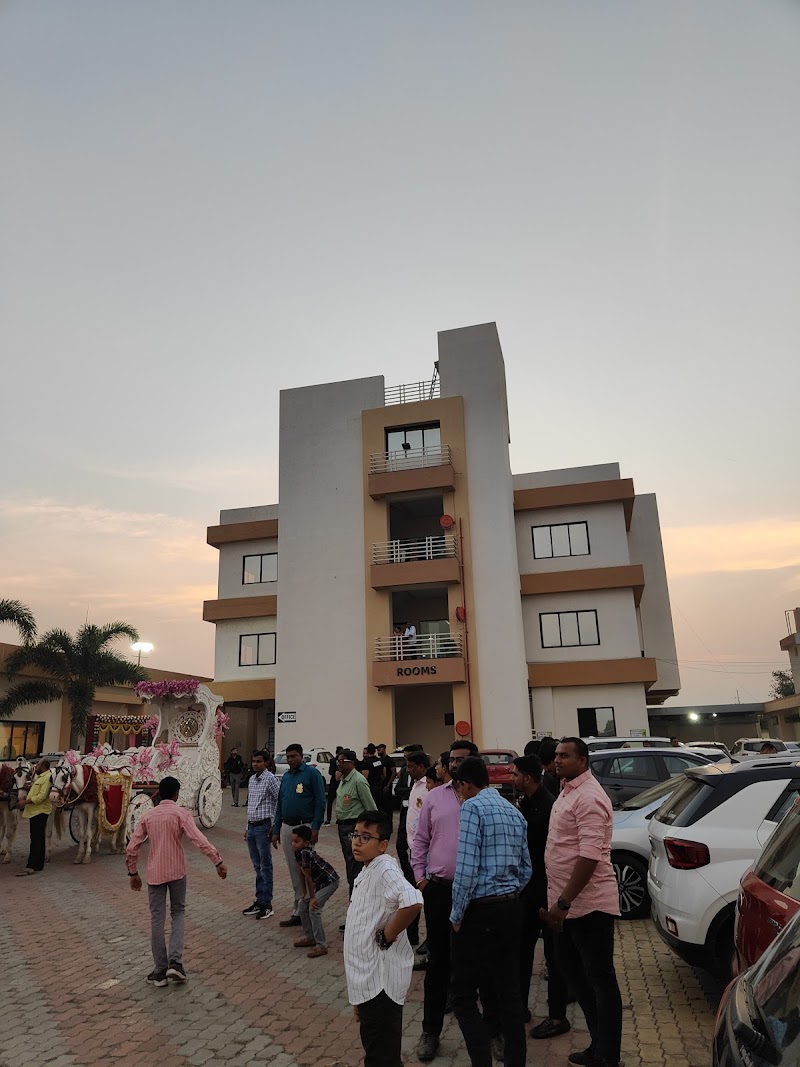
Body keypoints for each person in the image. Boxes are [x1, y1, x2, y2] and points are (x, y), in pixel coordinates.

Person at [540, 738, 622, 1067]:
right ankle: (598, 1045)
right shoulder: (567, 790)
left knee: (600, 981)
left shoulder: (589, 797)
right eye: (557, 755)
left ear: (583, 761)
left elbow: (589, 856)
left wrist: (563, 902)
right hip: (566, 906)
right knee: (575, 976)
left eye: (565, 755)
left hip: (589, 906)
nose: (558, 760)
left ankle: (609, 1056)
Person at [449, 756, 531, 1067]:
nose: (459, 793)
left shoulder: (472, 808)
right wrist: (508, 892)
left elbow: (466, 869)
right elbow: (526, 868)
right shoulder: (514, 811)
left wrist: (457, 914)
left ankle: (481, 1061)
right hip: (510, 908)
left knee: (463, 996)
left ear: (466, 784)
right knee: (509, 993)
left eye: (459, 787)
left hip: (480, 911)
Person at [126, 776, 227, 985]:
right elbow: (199, 839)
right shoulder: (181, 814)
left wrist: (133, 872)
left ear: (160, 794)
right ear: (176, 794)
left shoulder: (148, 816)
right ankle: (175, 962)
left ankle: (159, 970)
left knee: (157, 919)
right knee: (178, 913)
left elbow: (132, 846)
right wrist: (216, 860)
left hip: (155, 873)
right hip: (177, 872)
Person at [343, 810, 423, 1067]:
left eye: (366, 837)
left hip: (380, 983)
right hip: (367, 982)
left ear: (382, 844)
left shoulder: (385, 868)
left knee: (381, 1056)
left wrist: (388, 935)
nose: (357, 842)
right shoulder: (368, 869)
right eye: (355, 835)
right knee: (377, 1050)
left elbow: (413, 901)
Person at [410, 740, 465, 1062]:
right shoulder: (434, 798)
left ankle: (493, 1030)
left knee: (479, 963)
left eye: (462, 759)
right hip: (440, 891)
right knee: (438, 963)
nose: (456, 764)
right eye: (452, 759)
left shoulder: (487, 799)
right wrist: (421, 878)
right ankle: (430, 1032)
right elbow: (421, 841)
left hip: (477, 896)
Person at [512, 756, 570, 1039]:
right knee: (522, 951)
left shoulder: (548, 806)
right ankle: (519, 1007)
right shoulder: (527, 802)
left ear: (528, 777)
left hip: (548, 892)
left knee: (554, 956)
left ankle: (558, 1015)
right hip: (529, 891)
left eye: (515, 775)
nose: (512, 779)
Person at [272, 742, 326, 927]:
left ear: (301, 757)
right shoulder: (286, 777)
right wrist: (276, 830)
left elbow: (320, 801)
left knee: (306, 870)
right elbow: (280, 804)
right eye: (288, 757)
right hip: (287, 828)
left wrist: (315, 827)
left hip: (305, 827)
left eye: (294, 756)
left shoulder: (312, 774)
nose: (290, 759)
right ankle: (299, 909)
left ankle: (311, 908)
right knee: (294, 870)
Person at [290, 824, 340, 958]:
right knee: (302, 904)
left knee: (314, 909)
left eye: (296, 841)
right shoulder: (298, 852)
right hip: (319, 883)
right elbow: (300, 873)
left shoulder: (306, 853)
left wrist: (312, 898)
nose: (293, 844)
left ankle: (321, 945)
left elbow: (308, 877)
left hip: (329, 882)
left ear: (306, 843)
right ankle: (310, 937)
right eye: (292, 841)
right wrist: (304, 894)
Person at [335, 748, 377, 899]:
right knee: (350, 863)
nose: (338, 764)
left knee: (355, 865)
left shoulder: (358, 781)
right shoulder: (343, 779)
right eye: (338, 761)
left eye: (342, 761)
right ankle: (355, 900)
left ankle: (356, 901)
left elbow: (371, 808)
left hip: (354, 827)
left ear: (352, 763)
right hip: (343, 826)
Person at [242, 750, 279, 920]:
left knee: (265, 866)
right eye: (253, 761)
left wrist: (275, 825)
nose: (255, 764)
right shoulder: (251, 779)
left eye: (259, 761)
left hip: (264, 827)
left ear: (266, 763)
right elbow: (251, 804)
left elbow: (279, 800)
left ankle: (267, 904)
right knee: (257, 866)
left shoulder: (270, 779)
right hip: (252, 827)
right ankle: (259, 899)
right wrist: (246, 827)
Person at [17, 758, 51, 876]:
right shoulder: (40, 777)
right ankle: (39, 864)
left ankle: (31, 865)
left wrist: (25, 802)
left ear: (43, 767)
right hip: (35, 811)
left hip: (40, 811)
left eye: (39, 765)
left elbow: (41, 796)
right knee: (39, 838)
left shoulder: (47, 778)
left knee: (36, 839)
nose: (36, 766)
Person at [325, 746, 343, 824]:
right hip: (334, 783)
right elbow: (330, 771)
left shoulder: (342, 761)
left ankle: (338, 817)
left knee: (340, 802)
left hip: (339, 782)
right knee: (330, 801)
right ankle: (328, 818)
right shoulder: (333, 761)